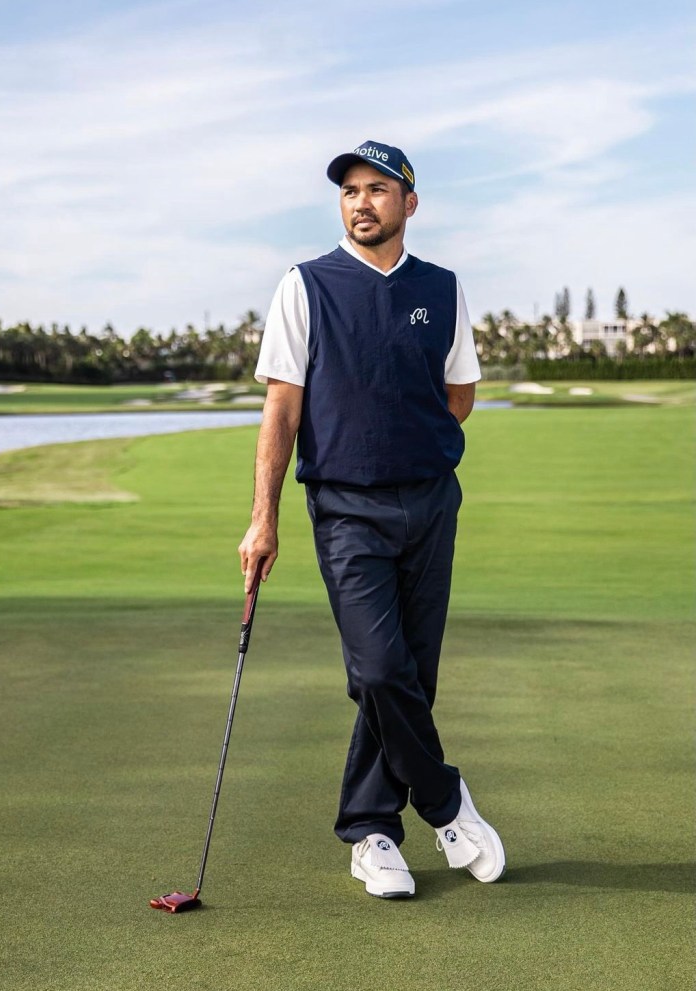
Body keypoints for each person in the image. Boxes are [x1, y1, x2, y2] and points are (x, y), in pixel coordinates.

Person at [238, 140, 505, 899]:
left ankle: (373, 830)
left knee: (405, 678)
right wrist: (264, 518)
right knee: (381, 668)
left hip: (430, 504)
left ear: (408, 204)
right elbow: (281, 407)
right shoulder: (307, 285)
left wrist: (413, 446)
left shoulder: (443, 289)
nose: (361, 202)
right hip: (346, 508)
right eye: (351, 190)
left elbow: (459, 394)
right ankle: (448, 805)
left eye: (378, 189)